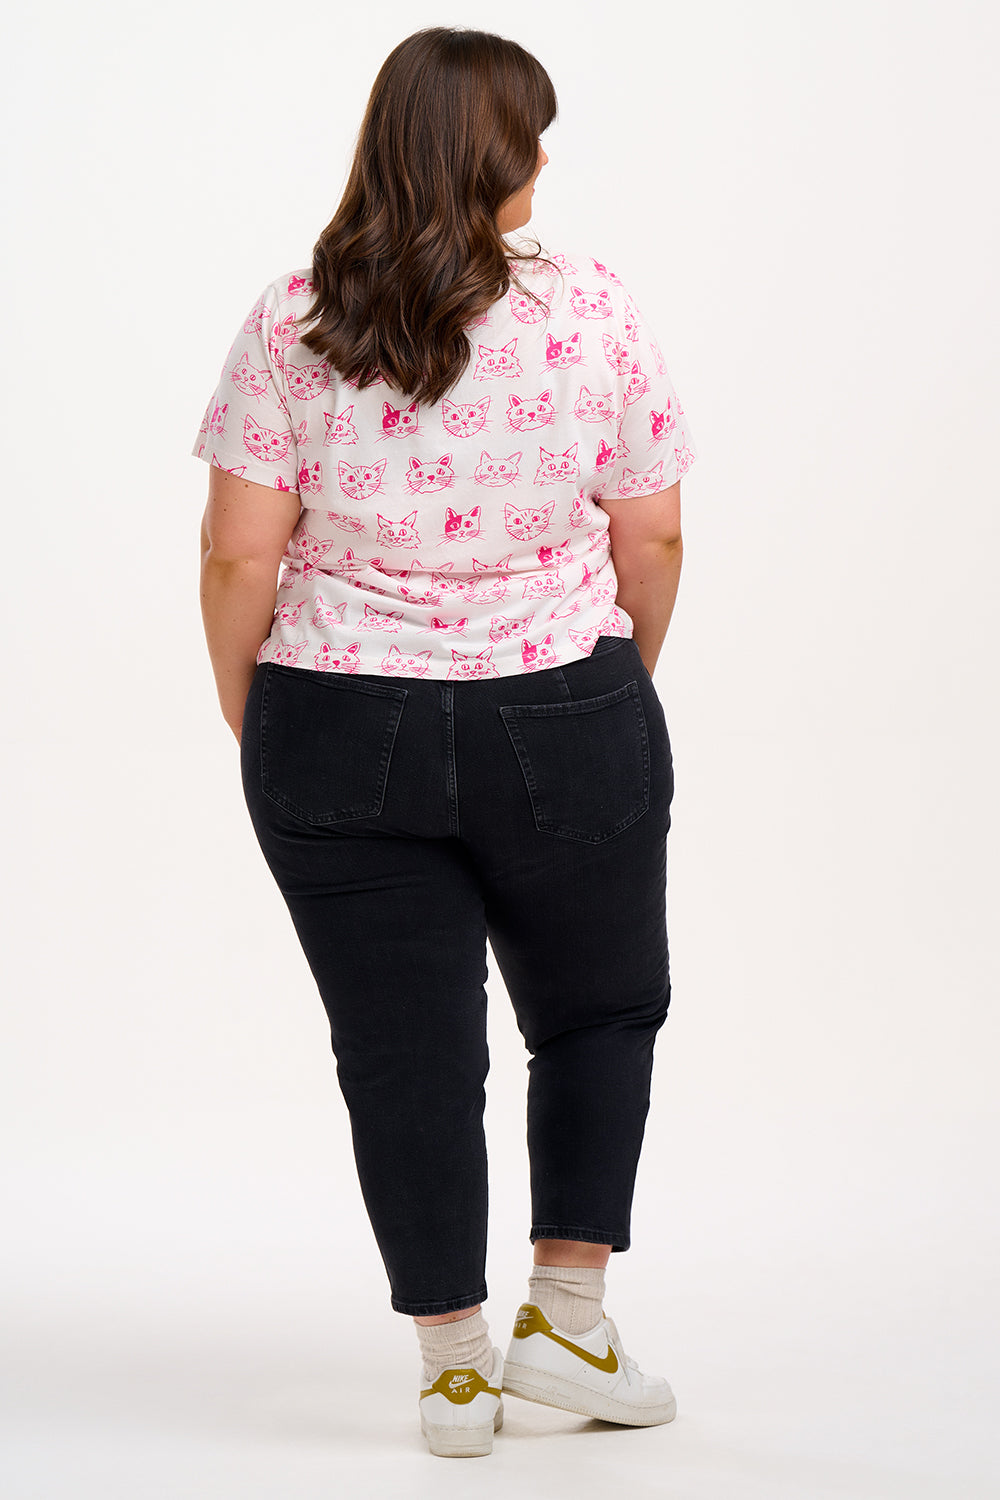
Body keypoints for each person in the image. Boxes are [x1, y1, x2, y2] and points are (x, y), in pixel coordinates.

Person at [194, 25, 697, 1460]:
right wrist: (614, 681)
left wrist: (262, 710)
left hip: (337, 712)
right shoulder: (593, 306)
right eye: (533, 135)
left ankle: (457, 1370)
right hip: (565, 704)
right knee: (596, 1013)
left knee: (403, 1054)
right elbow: (650, 530)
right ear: (498, 156)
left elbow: (240, 557)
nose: (545, 160)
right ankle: (569, 1327)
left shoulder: (295, 312)